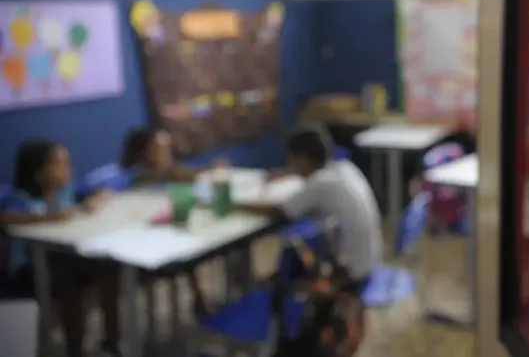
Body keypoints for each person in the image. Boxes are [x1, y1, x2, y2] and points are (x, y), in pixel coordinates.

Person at [0, 140, 120, 357]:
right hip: (30, 267)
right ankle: (75, 350)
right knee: (68, 285)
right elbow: (7, 218)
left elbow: (99, 192)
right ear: (38, 173)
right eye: (59, 164)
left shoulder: (66, 192)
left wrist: (94, 200)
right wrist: (53, 217)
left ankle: (113, 342)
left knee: (108, 271)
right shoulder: (21, 199)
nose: (68, 169)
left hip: (66, 259)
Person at [237, 125, 383, 291]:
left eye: (291, 160)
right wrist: (286, 173)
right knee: (302, 252)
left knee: (292, 262)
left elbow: (280, 210)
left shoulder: (320, 183)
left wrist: (236, 204)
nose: (290, 164)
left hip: (351, 273)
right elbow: (305, 174)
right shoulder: (344, 168)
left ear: (303, 159)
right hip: (369, 261)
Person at [120, 127, 226, 318]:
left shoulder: (165, 172)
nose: (167, 153)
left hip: (162, 231)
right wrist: (209, 170)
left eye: (168, 148)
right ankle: (199, 299)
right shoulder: (141, 174)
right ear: (144, 152)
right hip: (140, 238)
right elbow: (176, 175)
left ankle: (200, 298)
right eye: (161, 149)